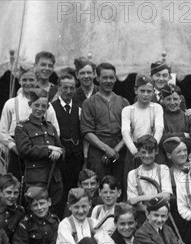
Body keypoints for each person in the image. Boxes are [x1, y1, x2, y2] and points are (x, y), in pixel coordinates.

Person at [0, 67, 59, 179]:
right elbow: (2, 132)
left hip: (41, 153)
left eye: (31, 80)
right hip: (17, 152)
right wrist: (15, 148)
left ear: (36, 81)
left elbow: (55, 129)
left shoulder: (46, 104)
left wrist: (47, 149)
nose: (28, 83)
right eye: (24, 80)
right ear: (19, 81)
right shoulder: (11, 103)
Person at [80, 62, 130, 185]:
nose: (108, 81)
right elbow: (87, 132)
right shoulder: (89, 103)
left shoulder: (123, 102)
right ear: (97, 78)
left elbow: (129, 129)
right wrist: (106, 149)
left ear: (115, 78)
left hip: (120, 149)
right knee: (98, 186)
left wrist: (116, 150)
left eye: (111, 77)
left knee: (118, 186)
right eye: (105, 77)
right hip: (98, 151)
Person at [15, 89, 65, 210]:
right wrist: (48, 149)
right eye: (36, 105)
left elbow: (61, 149)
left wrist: (58, 153)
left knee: (53, 211)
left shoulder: (51, 127)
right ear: (30, 105)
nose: (40, 109)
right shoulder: (22, 127)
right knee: (35, 210)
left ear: (48, 107)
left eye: (43, 106)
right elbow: (24, 150)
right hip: (36, 179)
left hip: (54, 178)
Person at [52, 71, 85, 218]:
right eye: (65, 88)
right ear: (59, 88)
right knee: (60, 192)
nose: (68, 91)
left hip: (76, 159)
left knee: (74, 191)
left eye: (72, 88)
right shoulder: (51, 108)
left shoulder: (79, 109)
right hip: (60, 160)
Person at [121, 74, 164, 176]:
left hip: (151, 149)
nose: (145, 94)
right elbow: (125, 133)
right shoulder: (128, 110)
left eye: (149, 91)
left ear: (153, 92)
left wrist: (152, 148)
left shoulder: (156, 108)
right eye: (142, 91)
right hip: (134, 151)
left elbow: (159, 129)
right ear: (136, 91)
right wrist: (134, 151)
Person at [126, 135, 172, 225]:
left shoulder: (163, 169)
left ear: (156, 152)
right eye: (143, 152)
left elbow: (166, 196)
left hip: (162, 216)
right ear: (138, 152)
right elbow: (133, 202)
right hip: (143, 218)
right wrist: (151, 212)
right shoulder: (132, 174)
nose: (147, 156)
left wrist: (140, 198)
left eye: (150, 152)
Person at [158, 83, 191, 164]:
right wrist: (184, 135)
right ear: (163, 100)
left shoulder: (189, 117)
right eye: (168, 99)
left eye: (175, 99)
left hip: (185, 160)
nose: (172, 102)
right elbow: (160, 139)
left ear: (180, 99)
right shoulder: (159, 117)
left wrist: (170, 136)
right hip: (165, 161)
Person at [161, 137, 190, 237]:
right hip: (179, 215)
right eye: (178, 152)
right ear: (169, 155)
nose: (183, 154)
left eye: (185, 150)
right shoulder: (168, 174)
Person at [0, 173, 26, 242]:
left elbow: (19, 240)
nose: (12, 196)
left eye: (16, 193)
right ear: (0, 192)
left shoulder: (19, 212)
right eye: (9, 192)